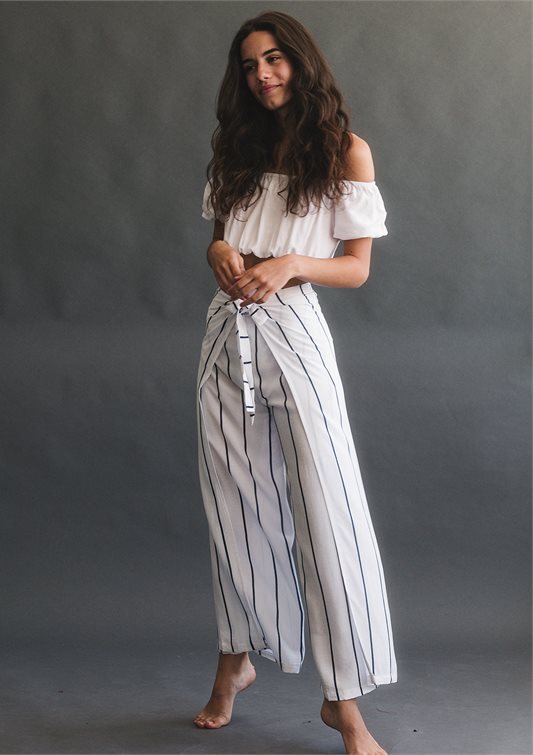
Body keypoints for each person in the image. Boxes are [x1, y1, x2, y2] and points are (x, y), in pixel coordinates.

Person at [194, 11, 398, 755]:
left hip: (295, 334)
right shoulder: (237, 146)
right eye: (250, 64)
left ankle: (344, 703)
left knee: (326, 511)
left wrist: (290, 265)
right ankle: (236, 661)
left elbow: (356, 267)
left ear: (301, 62)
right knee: (234, 509)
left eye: (275, 58)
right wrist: (220, 252)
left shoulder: (345, 150)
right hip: (226, 335)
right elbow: (221, 236)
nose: (262, 74)